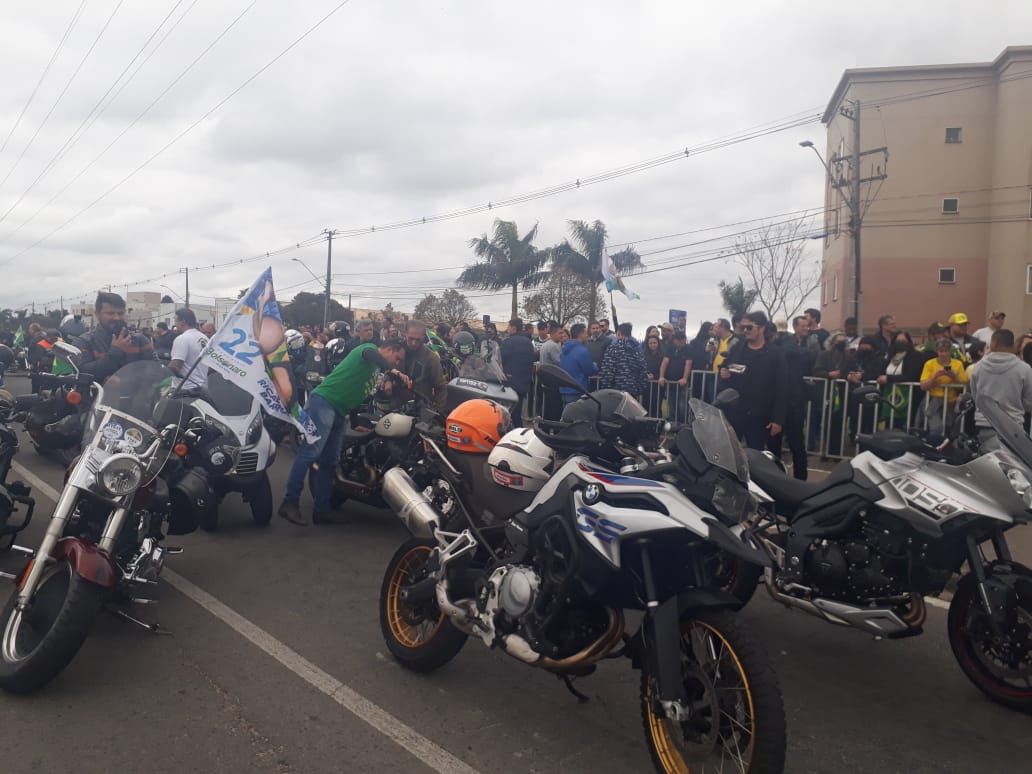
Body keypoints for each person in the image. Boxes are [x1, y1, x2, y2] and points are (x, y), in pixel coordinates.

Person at [278, 338, 410, 526]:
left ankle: (322, 510)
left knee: (331, 461)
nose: (396, 363)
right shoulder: (368, 349)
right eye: (396, 358)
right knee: (311, 453)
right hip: (323, 402)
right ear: (388, 348)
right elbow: (370, 354)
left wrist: (355, 422)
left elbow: (356, 390)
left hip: (340, 411)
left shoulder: (374, 370)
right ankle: (289, 502)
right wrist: (393, 370)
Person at [718, 310, 787, 451]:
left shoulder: (775, 354)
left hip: (760, 416)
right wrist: (724, 374)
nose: (745, 331)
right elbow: (727, 371)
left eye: (749, 327)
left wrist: (778, 419)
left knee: (756, 456)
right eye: (743, 327)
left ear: (762, 328)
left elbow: (783, 388)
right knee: (729, 454)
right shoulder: (737, 349)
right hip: (735, 413)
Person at [969, 329, 1032, 450]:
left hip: (985, 424)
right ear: (1013, 345)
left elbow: (975, 396)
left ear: (993, 344)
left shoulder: (978, 367)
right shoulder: (1024, 369)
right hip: (1013, 428)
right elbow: (1029, 402)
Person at [74, 292, 155, 383]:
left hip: (137, 396)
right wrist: (115, 353)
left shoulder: (140, 340)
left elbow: (156, 370)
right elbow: (81, 373)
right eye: (110, 313)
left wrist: (127, 381)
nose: (116, 318)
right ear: (97, 314)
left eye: (120, 313)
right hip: (99, 396)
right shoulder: (85, 342)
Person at [393, 319, 448, 413]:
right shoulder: (395, 350)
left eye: (418, 339)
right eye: (411, 338)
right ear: (404, 333)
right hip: (395, 405)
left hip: (420, 411)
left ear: (423, 336)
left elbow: (441, 387)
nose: (414, 343)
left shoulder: (431, 358)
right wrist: (387, 379)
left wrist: (437, 414)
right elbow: (384, 367)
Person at [876, 331, 926, 429]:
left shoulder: (915, 356)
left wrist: (889, 379)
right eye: (898, 340)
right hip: (890, 396)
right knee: (889, 424)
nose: (901, 342)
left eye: (903, 340)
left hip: (909, 397)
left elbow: (910, 376)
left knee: (905, 425)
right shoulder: (891, 356)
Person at [919, 338, 969, 436]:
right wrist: (935, 376)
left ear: (950, 351)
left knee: (949, 430)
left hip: (951, 402)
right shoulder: (929, 364)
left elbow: (963, 387)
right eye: (941, 351)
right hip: (934, 400)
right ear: (937, 351)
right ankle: (934, 445)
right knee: (936, 428)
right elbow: (923, 386)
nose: (944, 354)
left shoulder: (957, 364)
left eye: (946, 351)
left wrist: (954, 377)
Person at [500, 317, 536, 427]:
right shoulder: (529, 342)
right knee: (518, 411)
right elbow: (532, 359)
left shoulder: (508, 342)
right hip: (524, 382)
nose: (507, 329)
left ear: (514, 328)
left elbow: (501, 360)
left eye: (509, 327)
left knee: (508, 414)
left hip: (509, 382)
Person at [598, 323, 648, 400]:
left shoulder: (613, 349)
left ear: (618, 333)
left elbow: (608, 370)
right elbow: (643, 370)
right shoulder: (637, 350)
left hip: (615, 391)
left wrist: (605, 388)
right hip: (633, 391)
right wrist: (639, 389)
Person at [169, 308, 209, 389]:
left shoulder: (182, 339)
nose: (175, 323)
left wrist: (163, 372)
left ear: (183, 321)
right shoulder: (204, 338)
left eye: (175, 320)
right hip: (203, 388)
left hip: (185, 389)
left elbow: (176, 365)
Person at [559, 323, 598, 403]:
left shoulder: (564, 349)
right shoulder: (582, 351)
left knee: (567, 414)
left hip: (564, 389)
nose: (587, 335)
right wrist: (595, 366)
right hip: (578, 390)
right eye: (586, 333)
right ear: (581, 334)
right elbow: (589, 371)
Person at [659, 330, 692, 422]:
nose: (681, 342)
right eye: (679, 340)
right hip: (670, 382)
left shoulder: (689, 349)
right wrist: (661, 376)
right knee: (671, 405)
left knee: (682, 406)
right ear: (675, 340)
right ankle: (673, 424)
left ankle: (683, 424)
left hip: (682, 383)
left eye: (683, 340)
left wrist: (685, 378)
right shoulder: (670, 348)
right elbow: (665, 362)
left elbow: (688, 364)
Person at [537, 321, 564, 420]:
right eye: (560, 333)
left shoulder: (546, 344)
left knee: (547, 405)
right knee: (554, 407)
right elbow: (559, 362)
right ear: (553, 334)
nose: (562, 335)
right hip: (553, 380)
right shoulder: (553, 346)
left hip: (545, 379)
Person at [641, 335, 665, 415]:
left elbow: (665, 370)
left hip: (657, 385)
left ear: (658, 343)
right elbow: (641, 367)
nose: (652, 345)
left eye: (654, 343)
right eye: (650, 343)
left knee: (657, 407)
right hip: (646, 385)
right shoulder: (644, 354)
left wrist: (655, 376)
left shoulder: (663, 355)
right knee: (645, 405)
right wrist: (645, 375)